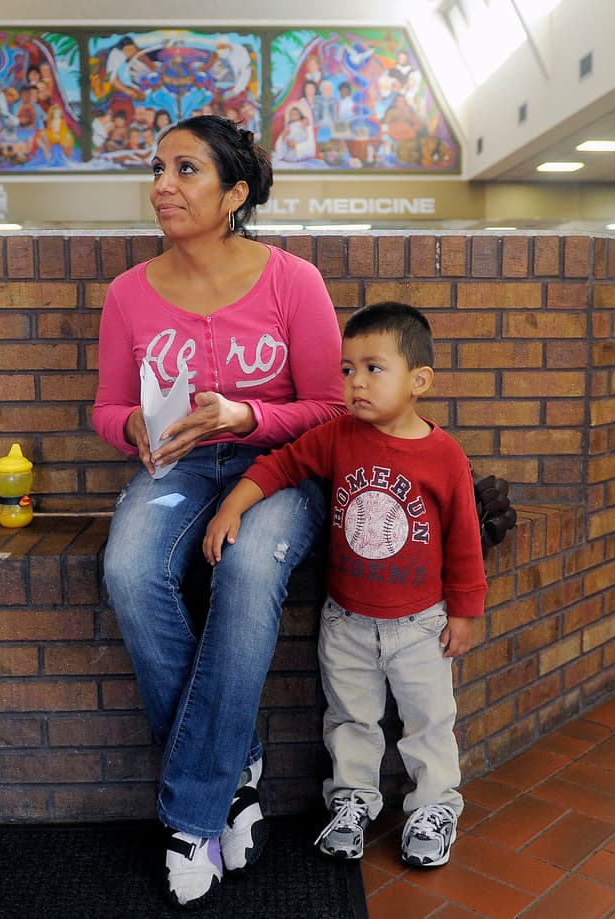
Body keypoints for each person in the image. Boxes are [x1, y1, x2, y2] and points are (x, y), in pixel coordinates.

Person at [92, 114, 345, 909]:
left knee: (242, 566)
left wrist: (246, 418)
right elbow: (103, 405)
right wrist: (125, 425)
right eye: (159, 169)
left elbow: (334, 408)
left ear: (234, 193)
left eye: (186, 170)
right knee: (130, 570)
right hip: (178, 467)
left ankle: (191, 814)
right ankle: (236, 770)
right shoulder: (128, 293)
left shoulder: (291, 281)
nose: (163, 185)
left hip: (280, 470)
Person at [202, 301, 487, 870]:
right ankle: (353, 801)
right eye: (348, 369)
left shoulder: (444, 456)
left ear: (419, 381)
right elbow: (280, 466)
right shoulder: (337, 437)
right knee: (351, 719)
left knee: (428, 722)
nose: (356, 382)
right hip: (348, 622)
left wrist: (465, 611)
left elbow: (463, 541)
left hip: (420, 626)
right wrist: (234, 503)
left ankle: (433, 807)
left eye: (373, 368)